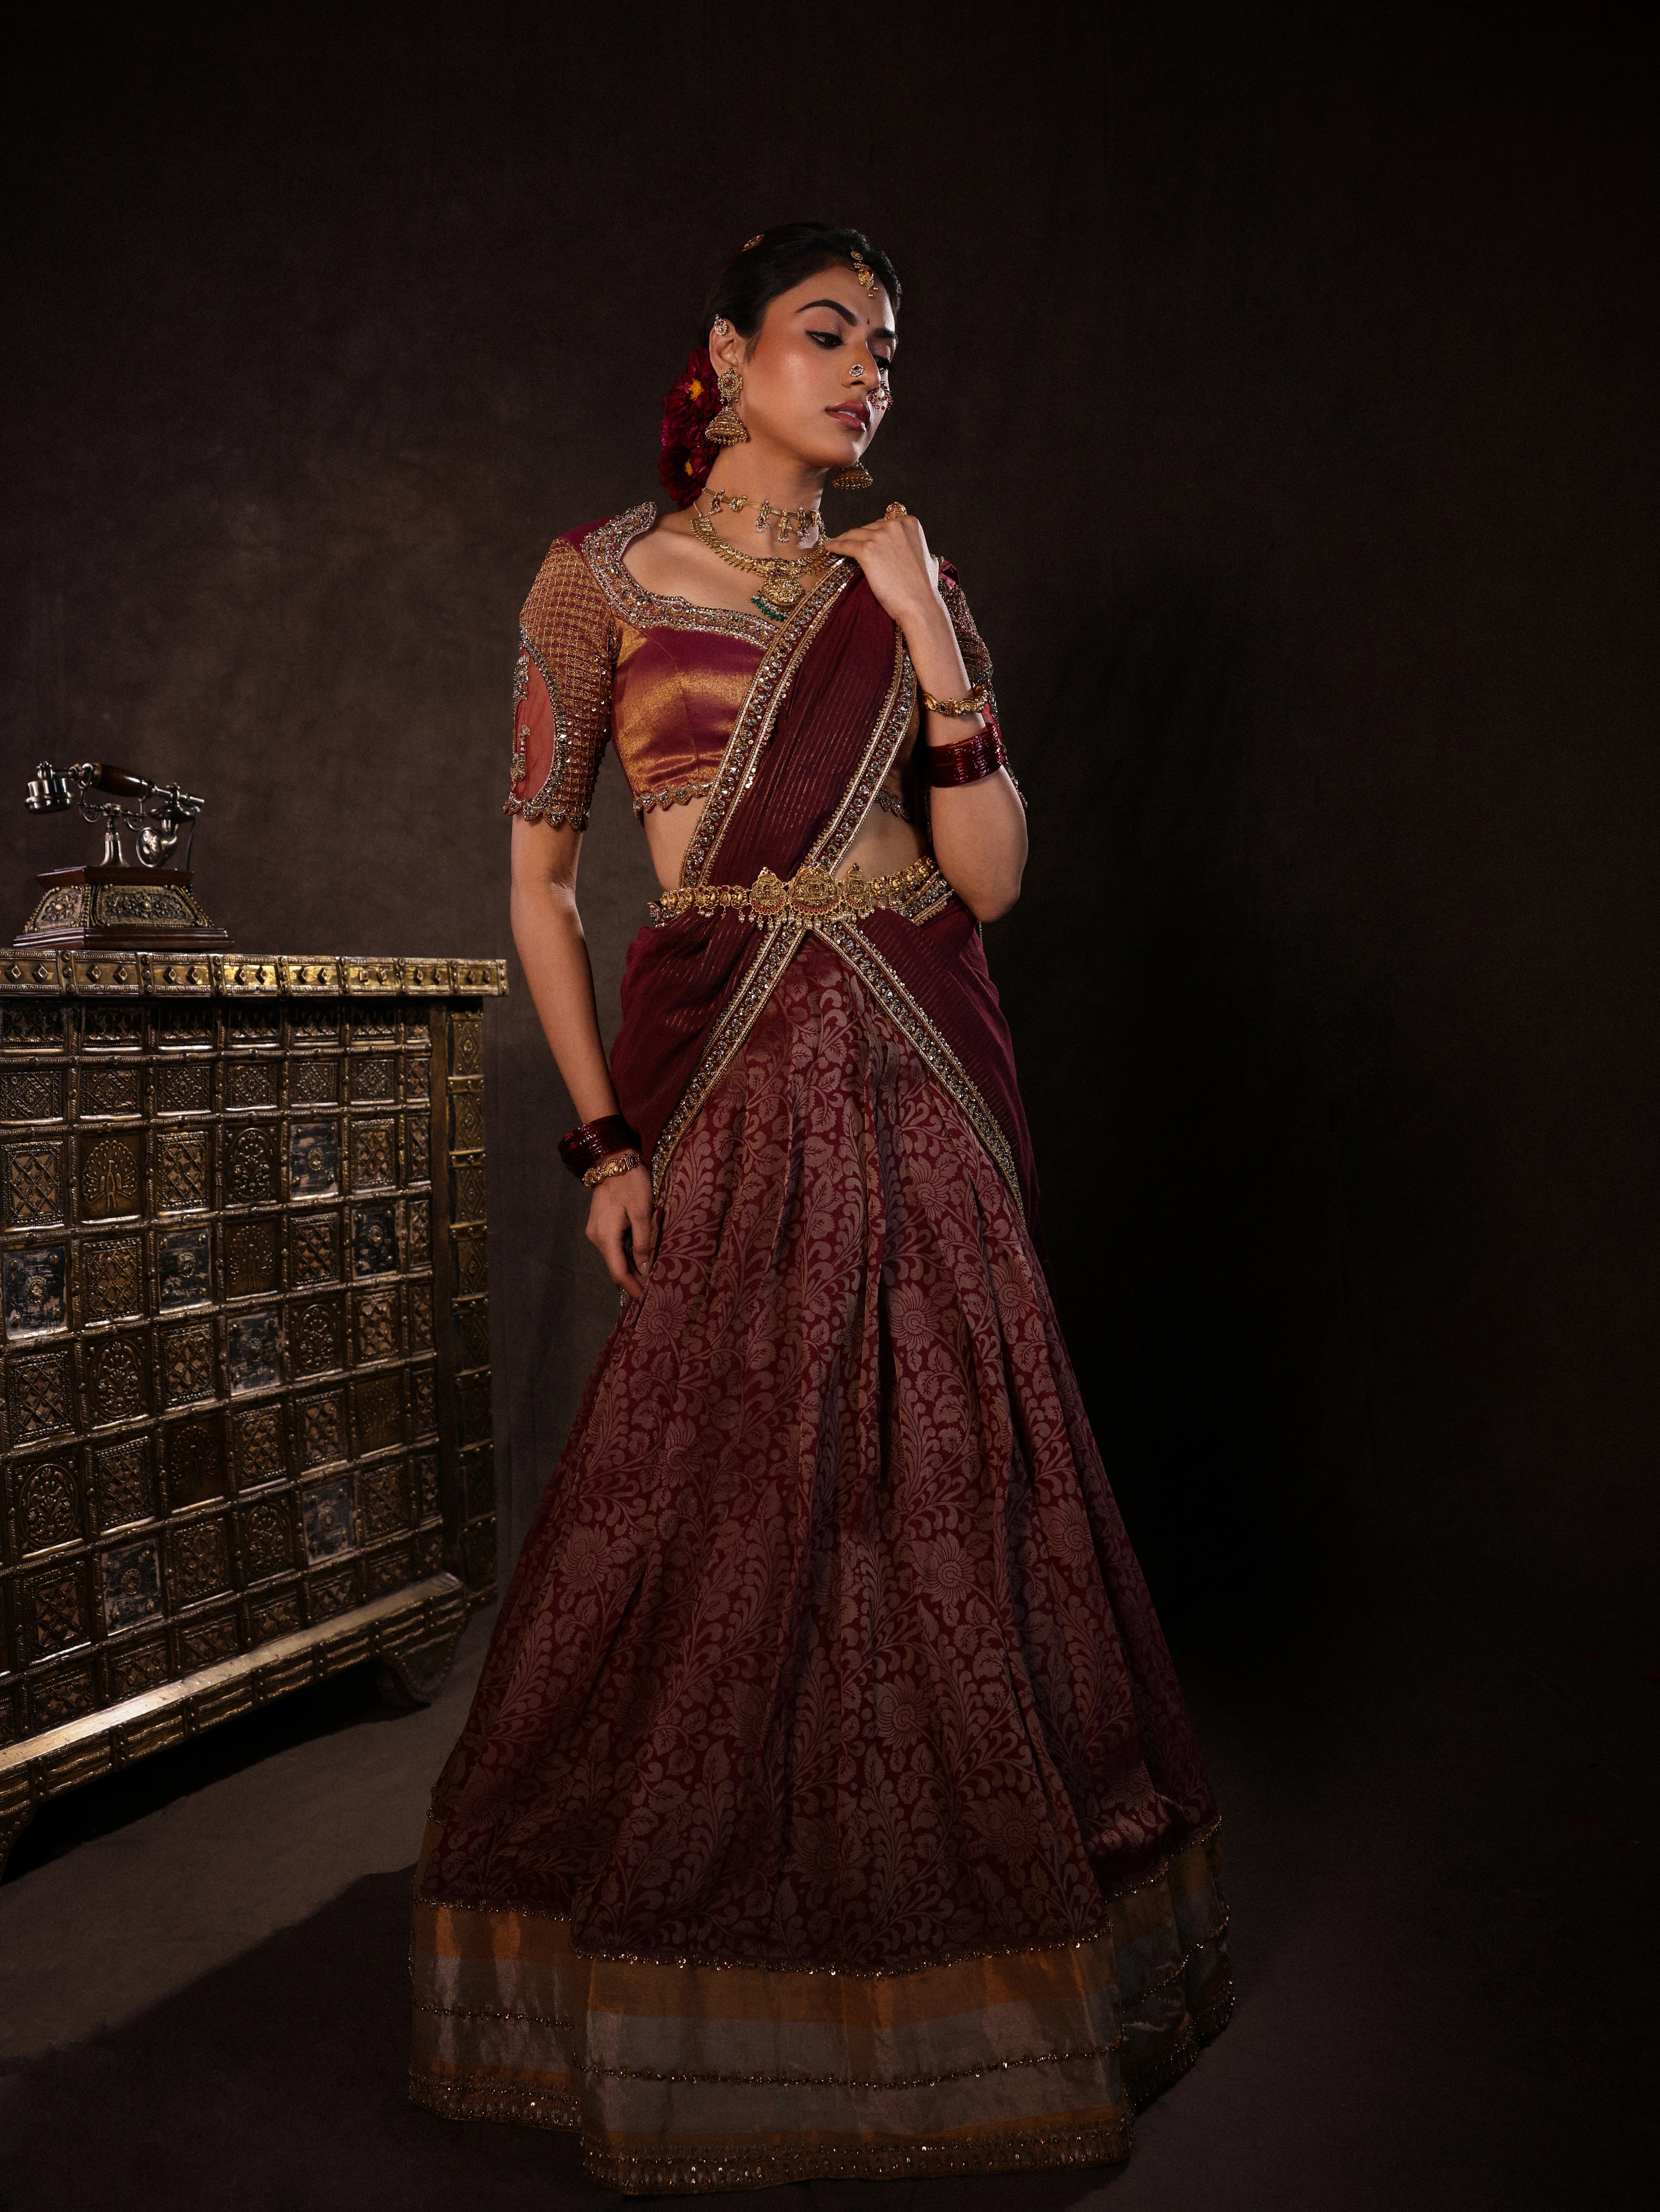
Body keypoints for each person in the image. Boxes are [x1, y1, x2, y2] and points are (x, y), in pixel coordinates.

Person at [409, 223, 1231, 2193]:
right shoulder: (599, 582)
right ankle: (708, 1944)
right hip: (733, 1072)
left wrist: (932, 632)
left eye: (889, 347)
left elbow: (995, 874)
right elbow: (540, 887)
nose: (867, 370)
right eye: (827, 332)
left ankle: (964, 1938)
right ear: (730, 352)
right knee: (733, 1480)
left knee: (953, 1470)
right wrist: (604, 1145)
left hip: (921, 1058)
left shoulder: (911, 572)